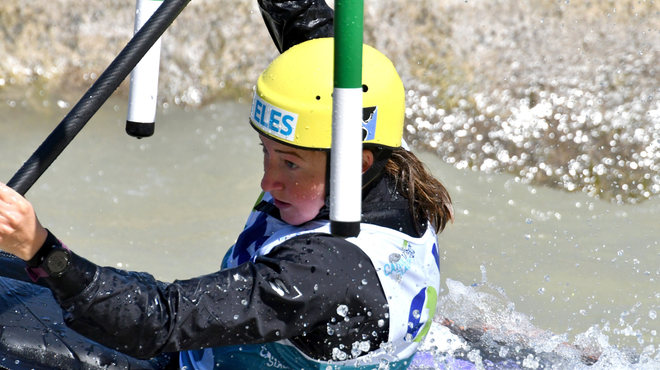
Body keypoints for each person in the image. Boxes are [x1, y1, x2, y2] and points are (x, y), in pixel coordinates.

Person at [0, 33, 453, 370]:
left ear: (355, 163)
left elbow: (157, 325)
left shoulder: (322, 271)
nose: (267, 180)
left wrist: (41, 249)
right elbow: (319, 47)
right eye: (266, 151)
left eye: (290, 164)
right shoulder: (373, 155)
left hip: (164, 346)